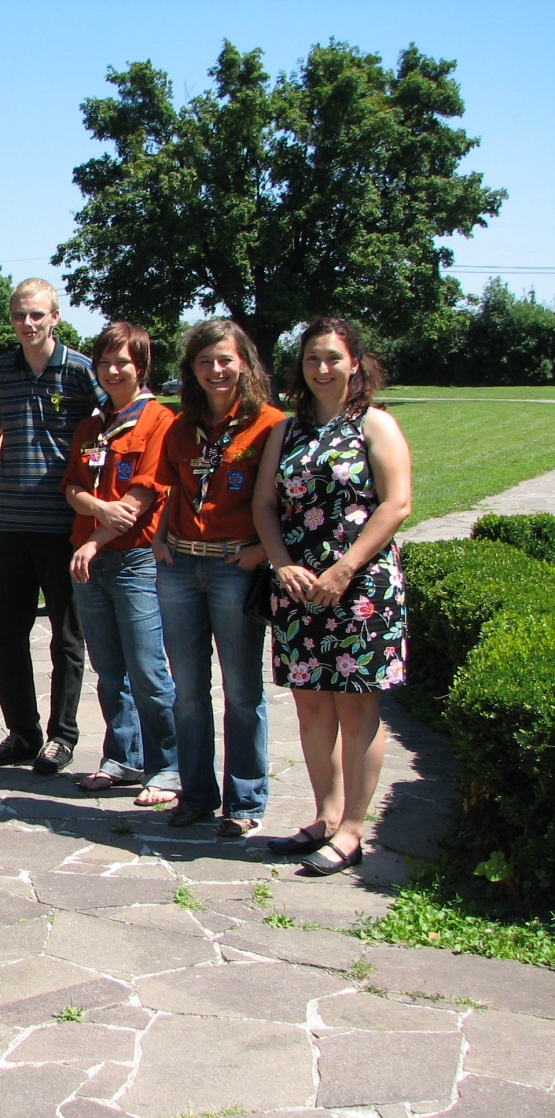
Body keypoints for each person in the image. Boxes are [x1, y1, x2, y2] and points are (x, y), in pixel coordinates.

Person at [254, 317, 411, 875]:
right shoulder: (285, 432)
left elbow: (396, 504)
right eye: (312, 359)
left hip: (360, 587)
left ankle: (351, 830)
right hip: (299, 589)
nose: (322, 368)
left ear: (354, 363)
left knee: (357, 706)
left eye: (332, 358)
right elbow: (265, 505)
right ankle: (324, 816)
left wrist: (344, 569)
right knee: (311, 704)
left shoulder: (375, 425)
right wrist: (281, 564)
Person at [153, 319, 284, 836]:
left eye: (225, 359)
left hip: (235, 566)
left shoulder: (270, 424)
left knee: (241, 691)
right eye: (205, 362)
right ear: (193, 370)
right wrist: (160, 540)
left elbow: (279, 500)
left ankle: (245, 802)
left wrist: (260, 551)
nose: (216, 370)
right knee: (186, 690)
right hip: (181, 566)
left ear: (245, 363)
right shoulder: (180, 426)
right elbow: (170, 490)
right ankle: (197, 794)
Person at [0, 279, 101, 774]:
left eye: (37, 315)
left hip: (63, 526)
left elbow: (115, 418)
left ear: (55, 317)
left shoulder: (80, 371)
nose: (27, 324)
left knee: (66, 638)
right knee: (5, 632)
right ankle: (22, 732)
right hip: (11, 523)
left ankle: (61, 735)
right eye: (19, 316)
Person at [61, 323, 181, 806]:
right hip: (91, 561)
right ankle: (122, 757)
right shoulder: (91, 427)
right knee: (109, 669)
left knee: (149, 669)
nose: (113, 371)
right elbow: (71, 487)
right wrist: (96, 511)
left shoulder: (158, 421)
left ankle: (168, 767)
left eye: (123, 362)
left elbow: (144, 494)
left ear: (141, 367)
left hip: (134, 560)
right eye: (105, 362)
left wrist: (94, 538)